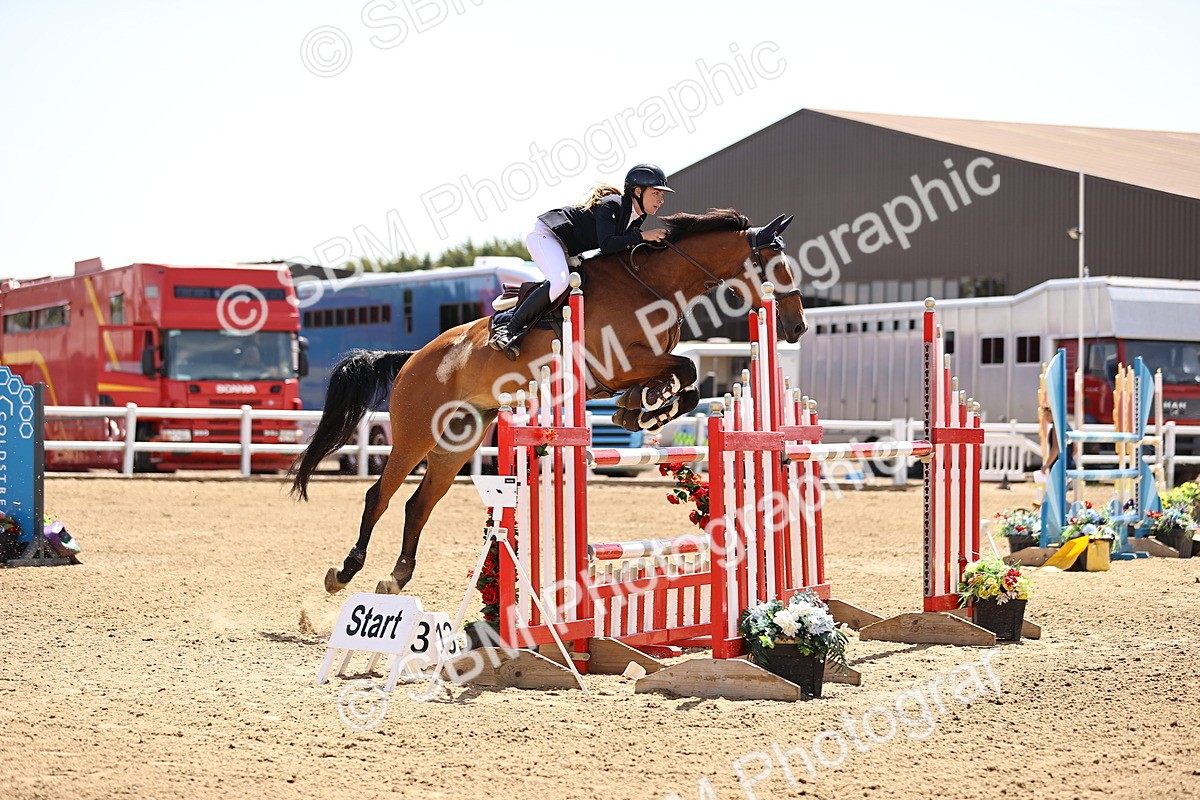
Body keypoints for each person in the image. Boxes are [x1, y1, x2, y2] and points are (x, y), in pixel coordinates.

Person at [487, 163, 675, 359]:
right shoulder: (613, 204)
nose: (661, 200)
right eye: (656, 193)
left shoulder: (636, 216)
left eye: (662, 195)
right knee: (560, 282)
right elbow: (608, 245)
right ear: (638, 191)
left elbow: (620, 250)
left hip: (567, 248)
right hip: (547, 236)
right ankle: (508, 328)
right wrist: (644, 237)